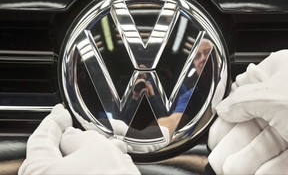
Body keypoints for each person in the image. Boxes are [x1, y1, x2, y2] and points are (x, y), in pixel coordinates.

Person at [19, 49, 288, 174]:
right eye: (199, 55)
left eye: (205, 54)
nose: (202, 58)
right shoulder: (183, 92)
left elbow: (171, 119)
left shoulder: (190, 94)